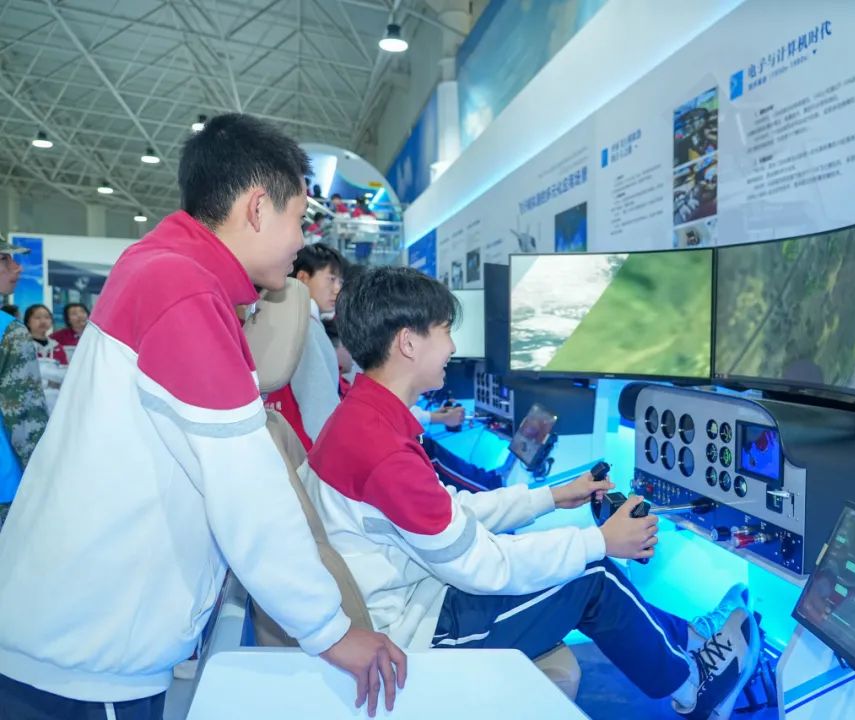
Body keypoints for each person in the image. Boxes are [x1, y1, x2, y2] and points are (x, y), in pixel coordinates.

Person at [0, 114, 405, 719]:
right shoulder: (184, 293)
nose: (300, 241)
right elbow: (247, 490)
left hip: (69, 629)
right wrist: (332, 629)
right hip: (90, 657)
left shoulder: (157, 268)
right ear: (258, 207)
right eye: (299, 219)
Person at [301, 267, 761, 719]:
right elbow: (483, 566)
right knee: (594, 576)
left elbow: (450, 512)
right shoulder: (383, 451)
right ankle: (693, 688)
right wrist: (600, 541)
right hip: (421, 631)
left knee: (583, 563)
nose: (453, 347)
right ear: (408, 342)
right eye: (444, 331)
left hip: (418, 598)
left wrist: (550, 497)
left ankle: (687, 642)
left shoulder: (364, 420)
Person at [265, 244, 346, 449]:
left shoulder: (281, 318)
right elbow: (318, 403)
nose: (337, 289)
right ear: (303, 278)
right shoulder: (305, 326)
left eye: (340, 281)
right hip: (307, 447)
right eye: (331, 279)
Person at [0, 238, 49, 532]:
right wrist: (45, 474)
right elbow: (25, 418)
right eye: (4, 259)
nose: (16, 267)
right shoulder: (9, 332)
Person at [23, 304, 67, 413]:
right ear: (28, 322)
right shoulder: (21, 346)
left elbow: (65, 375)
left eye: (47, 317)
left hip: (55, 403)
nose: (43, 321)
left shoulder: (57, 346)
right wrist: (48, 383)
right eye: (37, 317)